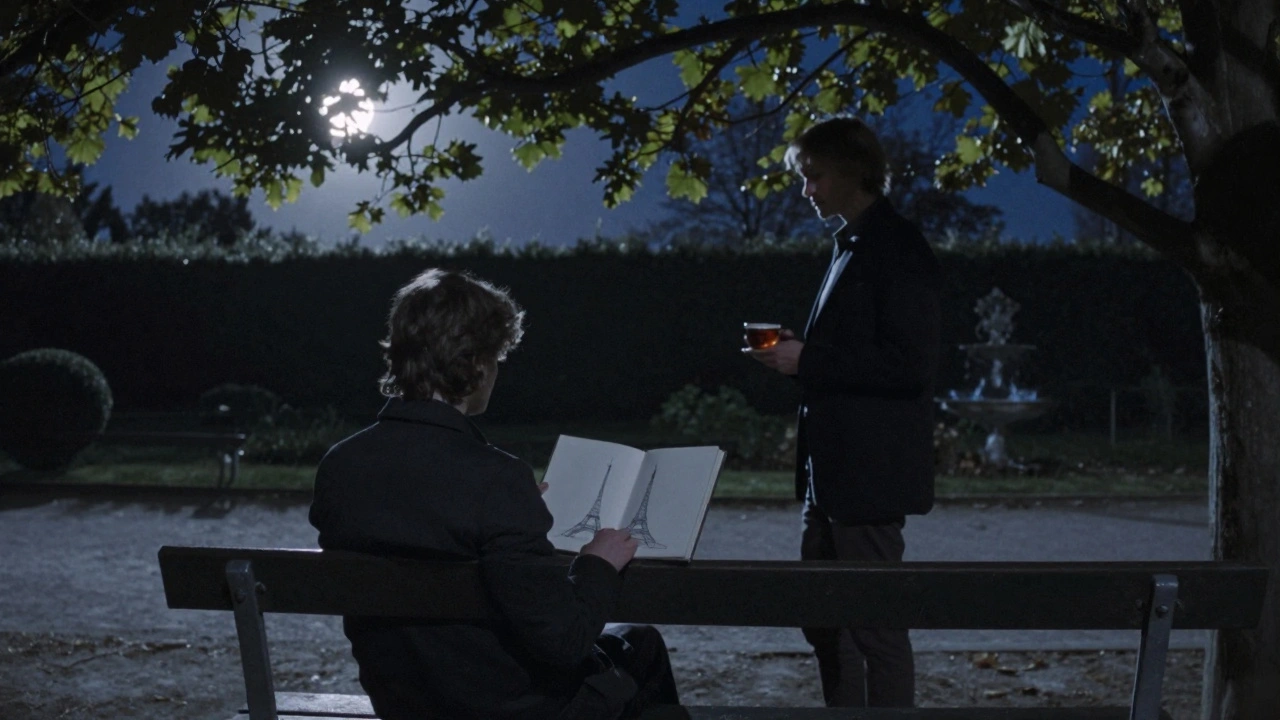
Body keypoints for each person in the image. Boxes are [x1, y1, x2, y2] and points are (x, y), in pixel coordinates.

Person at [309, 268, 679, 720]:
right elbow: (565, 641)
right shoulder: (495, 478)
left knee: (635, 642)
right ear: (477, 364)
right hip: (510, 707)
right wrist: (597, 563)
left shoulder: (340, 465)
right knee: (642, 653)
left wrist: (514, 512)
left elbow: (422, 514)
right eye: (497, 357)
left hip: (404, 702)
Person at [745, 117, 942, 708]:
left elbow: (909, 366)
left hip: (865, 477)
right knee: (828, 623)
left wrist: (809, 359)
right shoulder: (854, 243)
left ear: (854, 171)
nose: (807, 190)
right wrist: (802, 356)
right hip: (834, 477)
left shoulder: (894, 247)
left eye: (815, 176)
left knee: (874, 627)